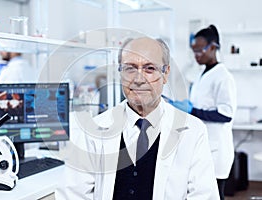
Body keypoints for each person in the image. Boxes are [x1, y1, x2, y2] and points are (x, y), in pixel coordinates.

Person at [56, 37, 219, 199]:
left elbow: (204, 195)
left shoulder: (192, 131)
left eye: (149, 68)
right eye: (130, 69)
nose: (139, 79)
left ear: (165, 73)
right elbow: (72, 194)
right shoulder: (94, 129)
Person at [171, 25, 237, 200]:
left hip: (216, 150)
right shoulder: (203, 74)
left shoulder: (223, 76)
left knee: (215, 195)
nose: (196, 55)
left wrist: (193, 110)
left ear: (213, 47)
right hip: (203, 146)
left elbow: (226, 114)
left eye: (200, 50)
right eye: (194, 51)